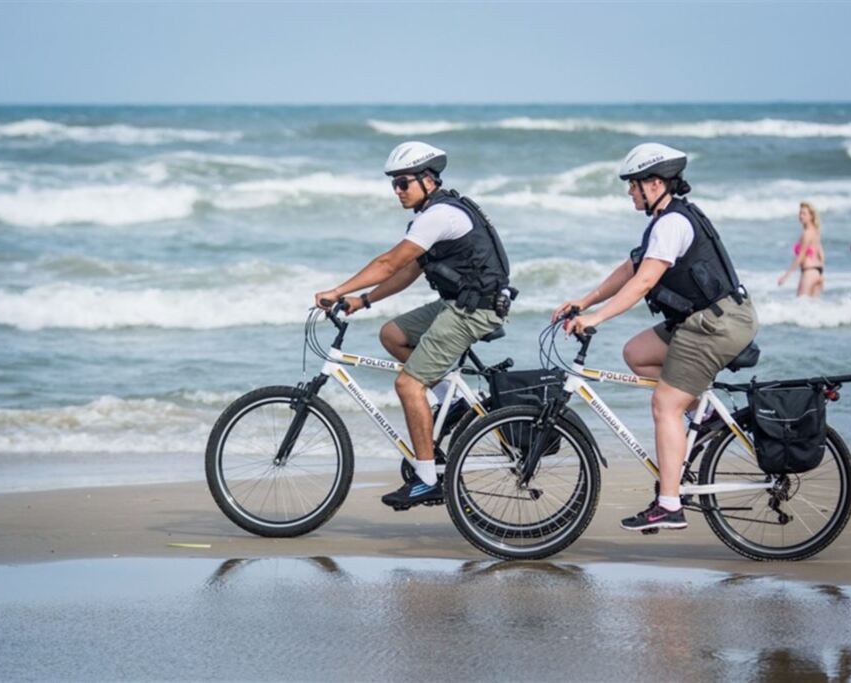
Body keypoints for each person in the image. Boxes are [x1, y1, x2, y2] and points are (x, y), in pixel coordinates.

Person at [551, 143, 758, 532]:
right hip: (703, 319)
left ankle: (669, 504)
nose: (630, 192)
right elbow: (631, 268)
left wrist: (597, 318)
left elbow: (645, 281)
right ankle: (703, 414)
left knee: (665, 405)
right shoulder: (664, 222)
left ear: (656, 183)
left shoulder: (672, 224)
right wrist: (585, 301)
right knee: (637, 353)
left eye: (633, 185)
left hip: (716, 324)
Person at [314, 141, 512, 510]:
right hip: (459, 303)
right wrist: (364, 300)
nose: (398, 191)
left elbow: (389, 262)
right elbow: (408, 271)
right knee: (392, 334)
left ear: (427, 179)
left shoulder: (439, 215)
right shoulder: (430, 215)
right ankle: (445, 403)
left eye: (404, 182)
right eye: (394, 184)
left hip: (474, 310)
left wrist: (338, 289)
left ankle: (427, 479)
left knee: (407, 384)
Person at [777, 202, 825, 297]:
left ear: (811, 216)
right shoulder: (816, 232)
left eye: (804, 213)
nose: (801, 216)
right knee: (812, 308)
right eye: (800, 213)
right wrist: (821, 274)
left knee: (801, 304)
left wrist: (785, 276)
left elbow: (800, 256)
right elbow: (822, 255)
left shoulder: (807, 233)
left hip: (808, 272)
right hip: (818, 273)